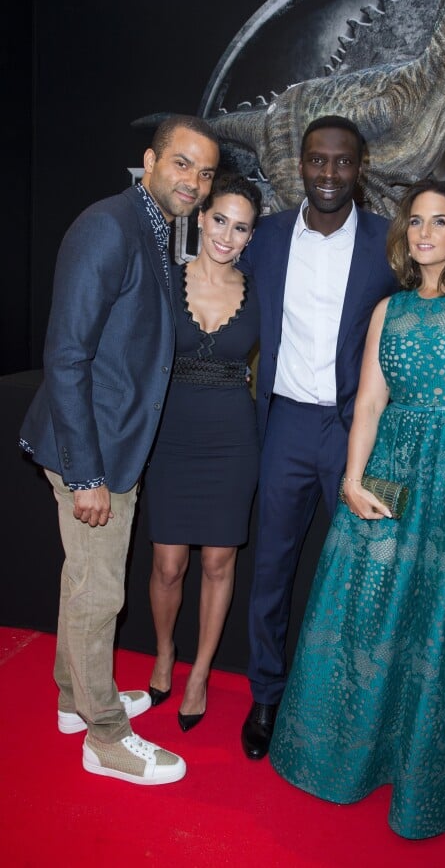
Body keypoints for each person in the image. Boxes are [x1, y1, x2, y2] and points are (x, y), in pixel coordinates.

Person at [239, 115, 445, 760]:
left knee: (372, 580)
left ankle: (370, 714)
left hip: (365, 431)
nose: (327, 173)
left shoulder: (386, 242)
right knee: (271, 567)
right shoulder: (264, 237)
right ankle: (266, 694)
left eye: (341, 162)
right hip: (286, 421)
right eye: (316, 160)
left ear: (360, 167)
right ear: (301, 163)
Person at [19, 115, 220, 784]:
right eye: (183, 164)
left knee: (84, 581)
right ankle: (104, 738)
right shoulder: (109, 226)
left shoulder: (155, 230)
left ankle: (75, 700)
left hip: (108, 445)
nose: (194, 180)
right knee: (100, 591)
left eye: (205, 171)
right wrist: (86, 474)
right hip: (90, 451)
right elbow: (67, 355)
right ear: (150, 160)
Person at [143, 173, 261, 731]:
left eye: (241, 228)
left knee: (219, 562)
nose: (227, 235)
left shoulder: (261, 290)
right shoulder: (164, 280)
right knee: (169, 565)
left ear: (250, 236)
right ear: (201, 218)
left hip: (233, 441)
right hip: (171, 435)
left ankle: (199, 673)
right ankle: (166, 652)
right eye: (220, 220)